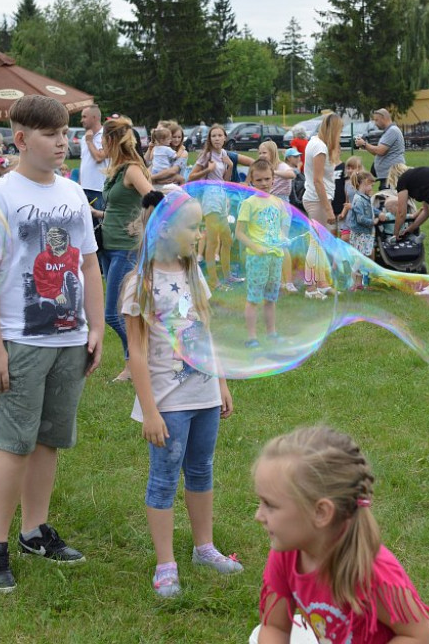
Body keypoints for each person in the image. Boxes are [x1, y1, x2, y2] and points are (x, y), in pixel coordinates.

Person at [0, 95, 104, 592]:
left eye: (66, 134)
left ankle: (33, 531)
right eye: (51, 135)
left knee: (49, 440)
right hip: (19, 341)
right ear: (22, 140)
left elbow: (89, 264)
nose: (62, 143)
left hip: (69, 339)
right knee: (13, 445)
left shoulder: (71, 195)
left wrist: (95, 326)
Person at [122, 190, 238, 599]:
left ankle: (204, 548)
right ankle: (165, 563)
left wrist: (220, 382)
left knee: (202, 469)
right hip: (168, 402)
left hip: (203, 394)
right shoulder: (141, 282)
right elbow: (135, 352)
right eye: (194, 227)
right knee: (164, 479)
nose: (200, 233)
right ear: (166, 230)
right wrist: (149, 411)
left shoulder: (193, 273)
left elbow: (207, 332)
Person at [253, 426, 429, 644]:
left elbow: (421, 636)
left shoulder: (372, 571)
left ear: (321, 512)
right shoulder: (287, 554)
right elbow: (274, 627)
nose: (258, 515)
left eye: (270, 505)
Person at [96, 117, 155, 381]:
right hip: (108, 247)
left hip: (126, 249)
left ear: (111, 140)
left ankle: (145, 353)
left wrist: (140, 224)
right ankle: (132, 365)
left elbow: (155, 199)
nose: (100, 145)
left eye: (102, 139)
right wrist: (96, 213)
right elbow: (118, 208)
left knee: (113, 313)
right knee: (123, 310)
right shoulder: (116, 170)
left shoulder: (132, 169)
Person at [236, 160, 290, 348]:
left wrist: (283, 239)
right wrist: (256, 247)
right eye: (259, 179)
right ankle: (252, 337)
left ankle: (271, 333)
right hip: (257, 258)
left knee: (271, 298)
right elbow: (239, 232)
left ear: (273, 179)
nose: (264, 183)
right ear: (251, 179)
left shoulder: (278, 203)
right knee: (254, 298)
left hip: (275, 256)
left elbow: (281, 227)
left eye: (267, 178)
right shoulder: (249, 203)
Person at [188, 124, 236, 290]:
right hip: (211, 199)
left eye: (219, 135)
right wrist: (207, 170)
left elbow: (225, 180)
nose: (216, 138)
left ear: (224, 138)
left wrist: (229, 165)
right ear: (210, 139)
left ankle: (227, 276)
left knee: (227, 240)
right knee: (214, 242)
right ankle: (214, 282)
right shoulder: (206, 156)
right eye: (213, 136)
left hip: (222, 198)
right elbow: (191, 177)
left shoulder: (223, 154)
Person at [302, 114, 344, 300]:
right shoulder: (320, 148)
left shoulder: (316, 142)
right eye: (339, 131)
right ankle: (311, 288)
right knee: (315, 245)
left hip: (317, 199)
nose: (340, 135)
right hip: (318, 201)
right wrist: (328, 209)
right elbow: (318, 181)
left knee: (319, 244)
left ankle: (321, 283)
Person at [79, 105, 109, 272]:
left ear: (95, 118)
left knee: (100, 228)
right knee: (87, 227)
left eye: (84, 116)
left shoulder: (105, 136)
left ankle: (102, 265)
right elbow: (85, 163)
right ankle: (91, 263)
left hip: (99, 188)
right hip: (85, 188)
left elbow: (99, 157)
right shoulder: (86, 137)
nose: (82, 120)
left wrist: (90, 141)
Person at [356, 108, 406, 189]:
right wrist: (364, 146)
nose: (375, 123)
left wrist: (364, 144)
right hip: (387, 176)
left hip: (392, 176)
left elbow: (380, 151)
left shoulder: (392, 131)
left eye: (376, 120)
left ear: (384, 118)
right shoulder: (388, 131)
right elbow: (376, 152)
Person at [348, 170, 378, 289]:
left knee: (362, 258)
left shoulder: (365, 198)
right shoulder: (359, 200)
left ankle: (359, 283)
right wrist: (372, 222)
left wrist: (380, 213)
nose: (371, 188)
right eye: (371, 185)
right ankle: (353, 283)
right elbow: (360, 219)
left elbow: (371, 209)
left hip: (365, 234)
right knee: (358, 259)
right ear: (364, 183)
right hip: (360, 234)